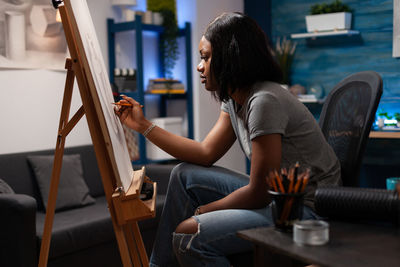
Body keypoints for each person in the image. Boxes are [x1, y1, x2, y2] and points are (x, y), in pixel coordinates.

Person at [115, 12, 341, 267]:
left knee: (188, 235)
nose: (200, 66)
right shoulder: (234, 99)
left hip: (302, 210)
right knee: (183, 174)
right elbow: (205, 152)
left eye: (206, 57)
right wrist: (143, 126)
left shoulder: (264, 100)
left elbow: (259, 193)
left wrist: (203, 211)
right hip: (275, 198)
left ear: (230, 56)